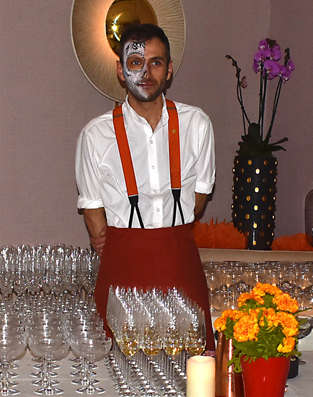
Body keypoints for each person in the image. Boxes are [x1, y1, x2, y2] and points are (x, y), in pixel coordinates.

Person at [75, 23, 216, 345]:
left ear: (169, 70)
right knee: (117, 363)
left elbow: (198, 201)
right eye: (136, 62)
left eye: (156, 62)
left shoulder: (197, 124)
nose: (146, 73)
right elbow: (92, 210)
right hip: (122, 268)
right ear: (121, 70)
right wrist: (122, 243)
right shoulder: (95, 135)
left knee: (190, 360)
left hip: (180, 262)